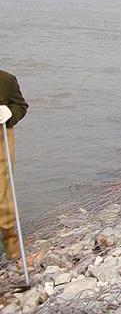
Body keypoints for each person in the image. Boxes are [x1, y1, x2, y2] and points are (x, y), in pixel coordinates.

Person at [0, 70, 28, 263]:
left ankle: (13, 252)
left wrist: (9, 112)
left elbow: (21, 106)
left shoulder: (5, 80)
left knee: (3, 200)